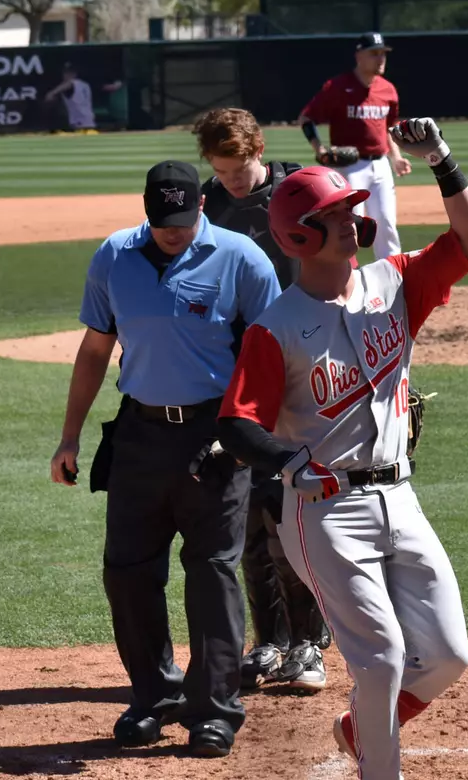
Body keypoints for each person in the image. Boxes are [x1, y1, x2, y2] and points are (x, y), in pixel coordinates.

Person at [216, 118, 468, 780]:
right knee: (380, 658)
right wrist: (288, 461)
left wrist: (441, 160)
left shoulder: (394, 283)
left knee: (448, 654)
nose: (351, 221)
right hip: (325, 511)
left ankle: (359, 728)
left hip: (400, 496)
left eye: (350, 211)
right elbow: (236, 422)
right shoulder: (274, 328)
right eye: (334, 214)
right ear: (299, 234)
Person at [48, 160, 280, 759]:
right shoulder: (114, 256)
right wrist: (69, 436)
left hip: (215, 437)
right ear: (146, 210)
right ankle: (153, 695)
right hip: (140, 435)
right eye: (160, 221)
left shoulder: (240, 258)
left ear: (201, 206)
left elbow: (272, 359)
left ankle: (214, 709)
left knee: (211, 573)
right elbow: (96, 348)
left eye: (180, 220)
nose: (170, 232)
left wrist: (247, 438)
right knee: (126, 571)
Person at [191, 108, 330, 693]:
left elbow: (337, 264)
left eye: (241, 168)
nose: (233, 181)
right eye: (221, 171)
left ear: (260, 150)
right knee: (246, 514)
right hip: (239, 377)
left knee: (291, 516)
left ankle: (310, 642)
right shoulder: (205, 204)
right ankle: (269, 640)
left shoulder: (301, 188)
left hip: (298, 368)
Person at [296, 32, 411, 259]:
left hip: (381, 166)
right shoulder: (338, 87)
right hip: (349, 167)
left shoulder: (387, 89)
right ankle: (347, 276)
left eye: (383, 54)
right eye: (374, 54)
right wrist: (318, 148)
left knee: (387, 224)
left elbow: (389, 126)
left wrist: (395, 157)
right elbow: (306, 118)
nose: (380, 59)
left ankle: (394, 277)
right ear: (359, 56)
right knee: (349, 224)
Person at [44, 63, 97, 133]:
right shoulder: (84, 84)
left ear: (75, 74)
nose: (67, 75)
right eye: (65, 73)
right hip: (89, 121)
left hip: (79, 123)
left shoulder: (73, 83)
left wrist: (51, 93)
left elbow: (69, 84)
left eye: (70, 73)